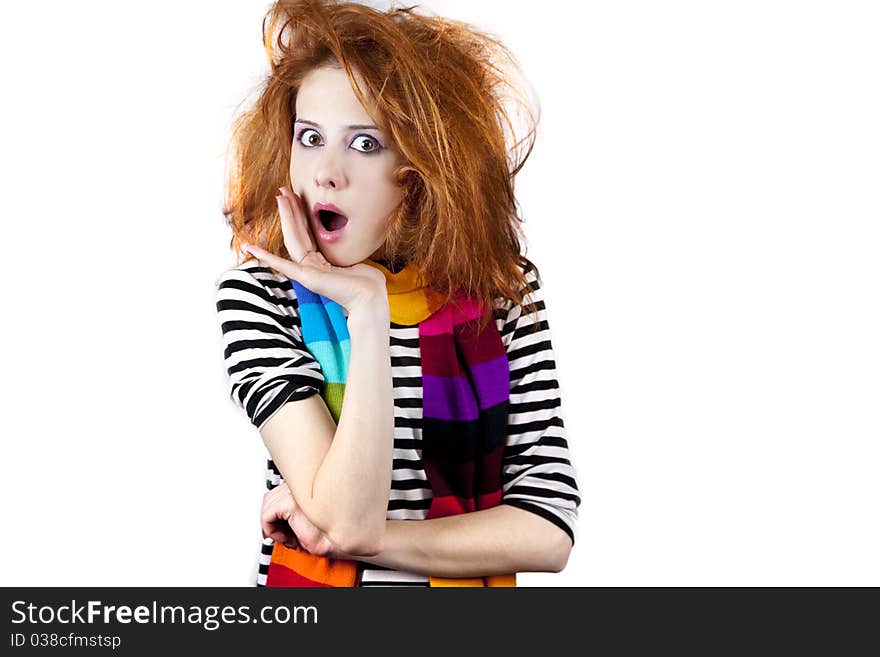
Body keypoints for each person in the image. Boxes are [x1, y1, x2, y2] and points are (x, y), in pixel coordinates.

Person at [215, 0, 580, 587]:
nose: (325, 173)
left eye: (364, 144)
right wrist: (365, 310)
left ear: (425, 169)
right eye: (309, 137)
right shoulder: (262, 296)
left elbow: (548, 527)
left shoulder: (500, 291)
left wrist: (359, 539)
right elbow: (344, 515)